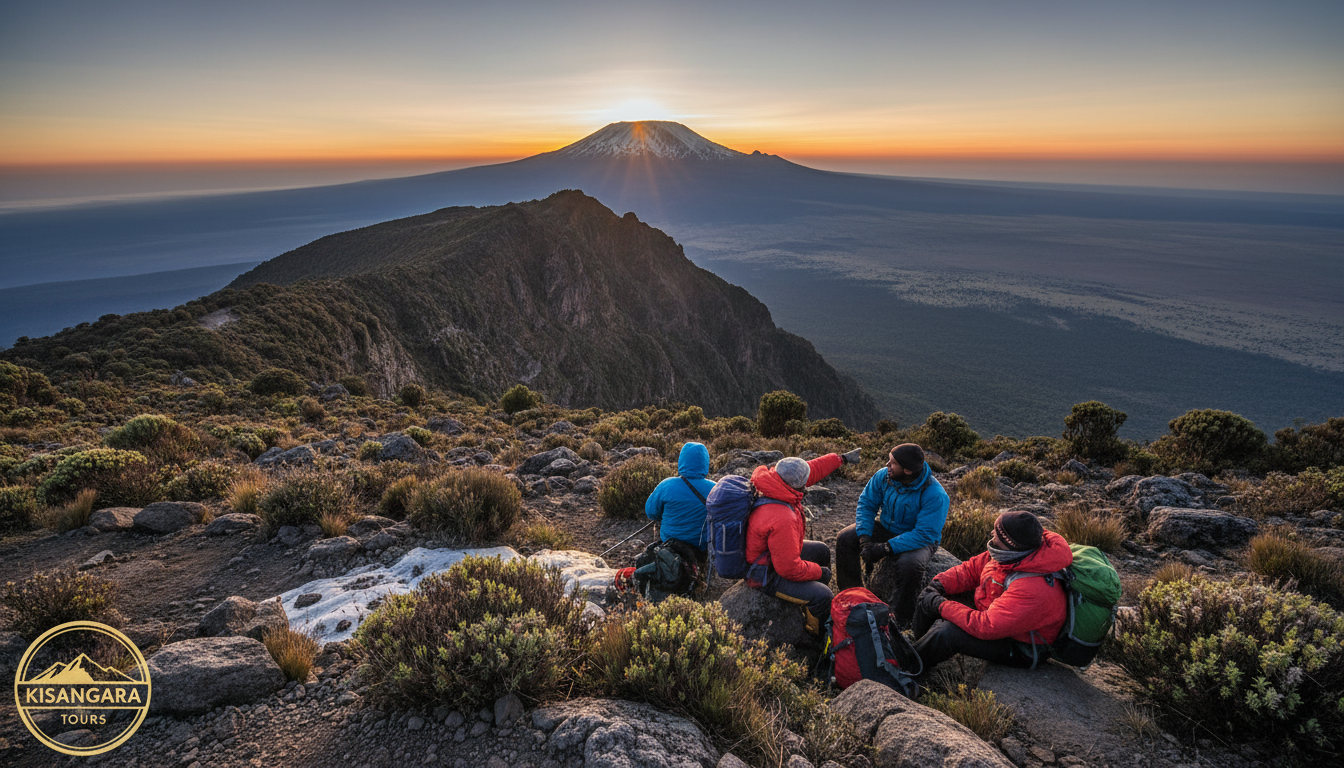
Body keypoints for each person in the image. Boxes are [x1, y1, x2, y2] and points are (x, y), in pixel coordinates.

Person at [910, 511, 1073, 670]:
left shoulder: (1033, 587)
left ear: (1010, 542)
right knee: (932, 594)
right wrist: (939, 585)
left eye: (997, 533)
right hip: (999, 614)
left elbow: (987, 625)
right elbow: (971, 570)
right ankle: (916, 644)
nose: (991, 533)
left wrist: (940, 605)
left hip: (1022, 645)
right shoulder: (1014, 554)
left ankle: (907, 668)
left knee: (947, 632)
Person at [745, 449, 861, 634]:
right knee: (823, 595)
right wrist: (819, 572)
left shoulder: (774, 482)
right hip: (765, 574)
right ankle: (816, 635)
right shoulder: (782, 517)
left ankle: (811, 604)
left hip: (770, 555)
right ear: (797, 485)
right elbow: (788, 568)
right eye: (804, 484)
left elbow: (810, 470)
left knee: (821, 550)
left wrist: (841, 459)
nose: (807, 486)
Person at [836, 443, 950, 628]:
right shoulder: (884, 476)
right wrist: (865, 540)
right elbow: (867, 504)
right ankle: (852, 596)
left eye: (892, 463)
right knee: (845, 538)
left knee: (910, 565)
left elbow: (924, 533)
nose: (887, 465)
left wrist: (885, 548)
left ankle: (900, 618)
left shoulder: (935, 494)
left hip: (919, 539)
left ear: (907, 470)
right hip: (887, 527)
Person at [643, 442, 716, 582]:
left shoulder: (666, 485)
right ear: (705, 462)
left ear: (681, 460)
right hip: (700, 549)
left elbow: (651, 513)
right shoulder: (715, 489)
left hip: (669, 546)